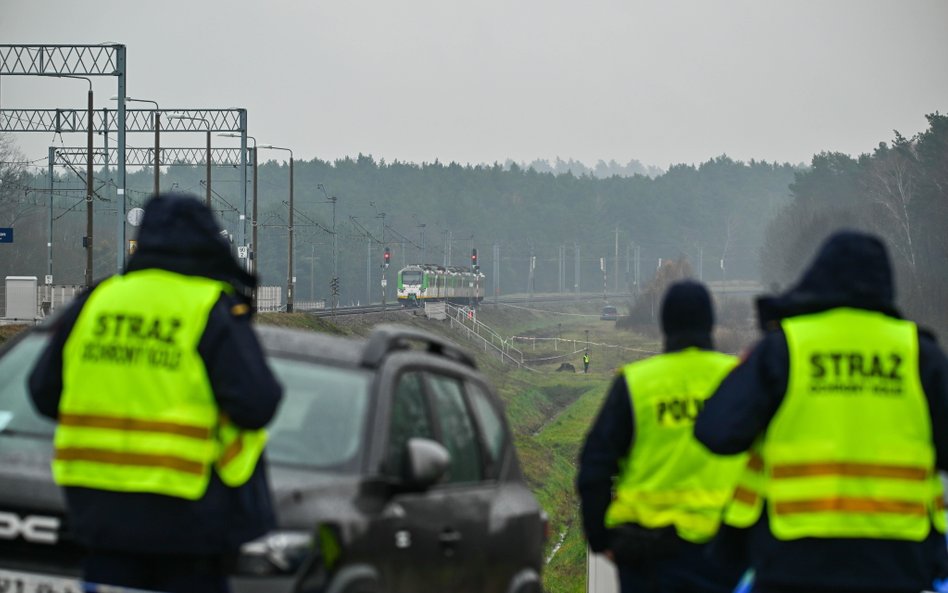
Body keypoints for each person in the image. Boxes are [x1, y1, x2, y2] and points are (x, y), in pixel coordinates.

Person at [29, 193, 284, 593]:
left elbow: (43, 393)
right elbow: (257, 403)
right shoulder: (208, 306)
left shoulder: (96, 301)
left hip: (98, 516)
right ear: (205, 241)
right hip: (186, 521)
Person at [694, 230, 948, 593]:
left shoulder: (785, 349)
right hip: (897, 562)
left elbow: (716, 431)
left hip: (794, 560)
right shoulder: (920, 354)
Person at [577, 280, 747, 593]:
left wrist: (601, 538)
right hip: (728, 553)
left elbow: (594, 464)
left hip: (648, 560)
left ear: (664, 324)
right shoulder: (739, 378)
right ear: (711, 323)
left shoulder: (636, 383)